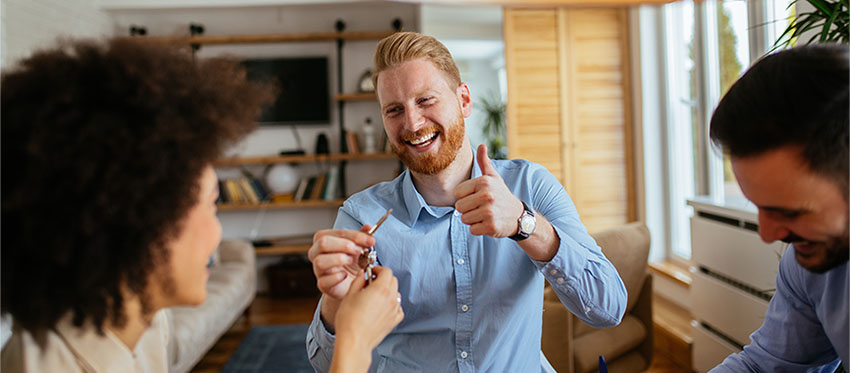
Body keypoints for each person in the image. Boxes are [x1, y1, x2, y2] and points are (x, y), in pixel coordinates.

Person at [1, 38, 402, 373]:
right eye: (211, 205)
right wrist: (353, 343)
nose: (218, 232)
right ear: (140, 220)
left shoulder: (144, 323)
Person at [306, 31, 627, 372]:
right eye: (394, 110)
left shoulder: (530, 185)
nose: (412, 123)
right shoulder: (362, 217)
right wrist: (334, 301)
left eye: (426, 100)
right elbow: (326, 364)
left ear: (464, 100)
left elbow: (607, 309)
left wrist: (524, 223)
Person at [708, 45, 848, 371]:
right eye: (758, 206)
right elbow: (765, 366)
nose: (769, 234)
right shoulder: (809, 266)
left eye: (790, 212)